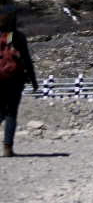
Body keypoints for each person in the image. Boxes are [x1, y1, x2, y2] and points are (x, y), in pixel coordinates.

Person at [1, 8, 40, 158]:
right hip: (14, 80)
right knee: (11, 113)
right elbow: (27, 60)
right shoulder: (17, 37)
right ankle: (7, 148)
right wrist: (33, 80)